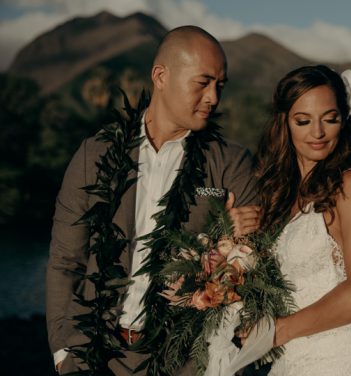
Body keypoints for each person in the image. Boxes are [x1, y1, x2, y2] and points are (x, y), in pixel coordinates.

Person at [46, 25, 259, 375]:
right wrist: (63, 353)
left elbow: (251, 267)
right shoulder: (94, 155)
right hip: (96, 355)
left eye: (220, 86)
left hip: (187, 361)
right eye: (202, 83)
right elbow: (65, 262)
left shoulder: (232, 163)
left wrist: (234, 237)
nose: (214, 98)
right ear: (161, 76)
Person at [253, 65, 351, 375]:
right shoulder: (281, 198)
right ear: (284, 123)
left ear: (344, 121)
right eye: (303, 121)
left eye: (330, 119)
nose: (317, 132)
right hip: (290, 360)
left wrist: (276, 332)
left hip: (341, 359)